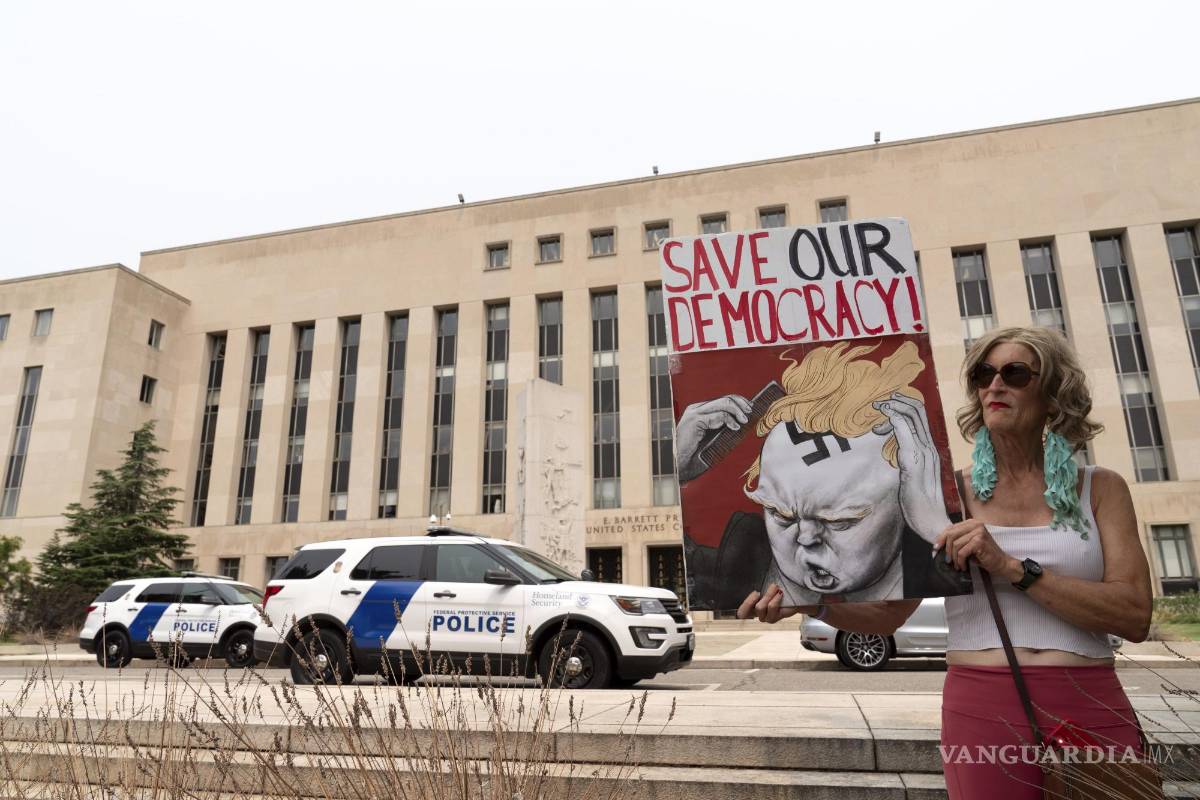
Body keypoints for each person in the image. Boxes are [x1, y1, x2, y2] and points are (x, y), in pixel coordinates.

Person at [737, 326, 1153, 799]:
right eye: (983, 374)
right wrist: (808, 604)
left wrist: (1013, 567)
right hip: (982, 704)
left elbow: (1134, 615)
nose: (994, 385)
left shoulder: (1101, 488)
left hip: (1089, 697)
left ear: (1053, 393)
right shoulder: (944, 497)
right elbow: (891, 615)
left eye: (1015, 373)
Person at [676, 341, 967, 609]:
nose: (806, 538)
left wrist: (936, 530)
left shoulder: (934, 564)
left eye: (839, 520)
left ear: (906, 501)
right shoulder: (731, 570)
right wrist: (682, 472)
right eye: (780, 514)